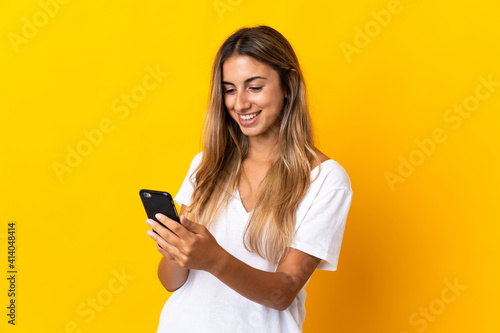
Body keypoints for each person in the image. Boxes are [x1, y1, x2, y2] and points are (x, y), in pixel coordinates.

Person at [145, 25, 353, 332]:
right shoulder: (206, 164)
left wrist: (213, 258)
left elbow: (283, 291)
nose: (240, 104)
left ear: (289, 85)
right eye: (230, 89)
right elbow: (170, 282)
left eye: (254, 87)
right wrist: (177, 251)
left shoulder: (325, 179)